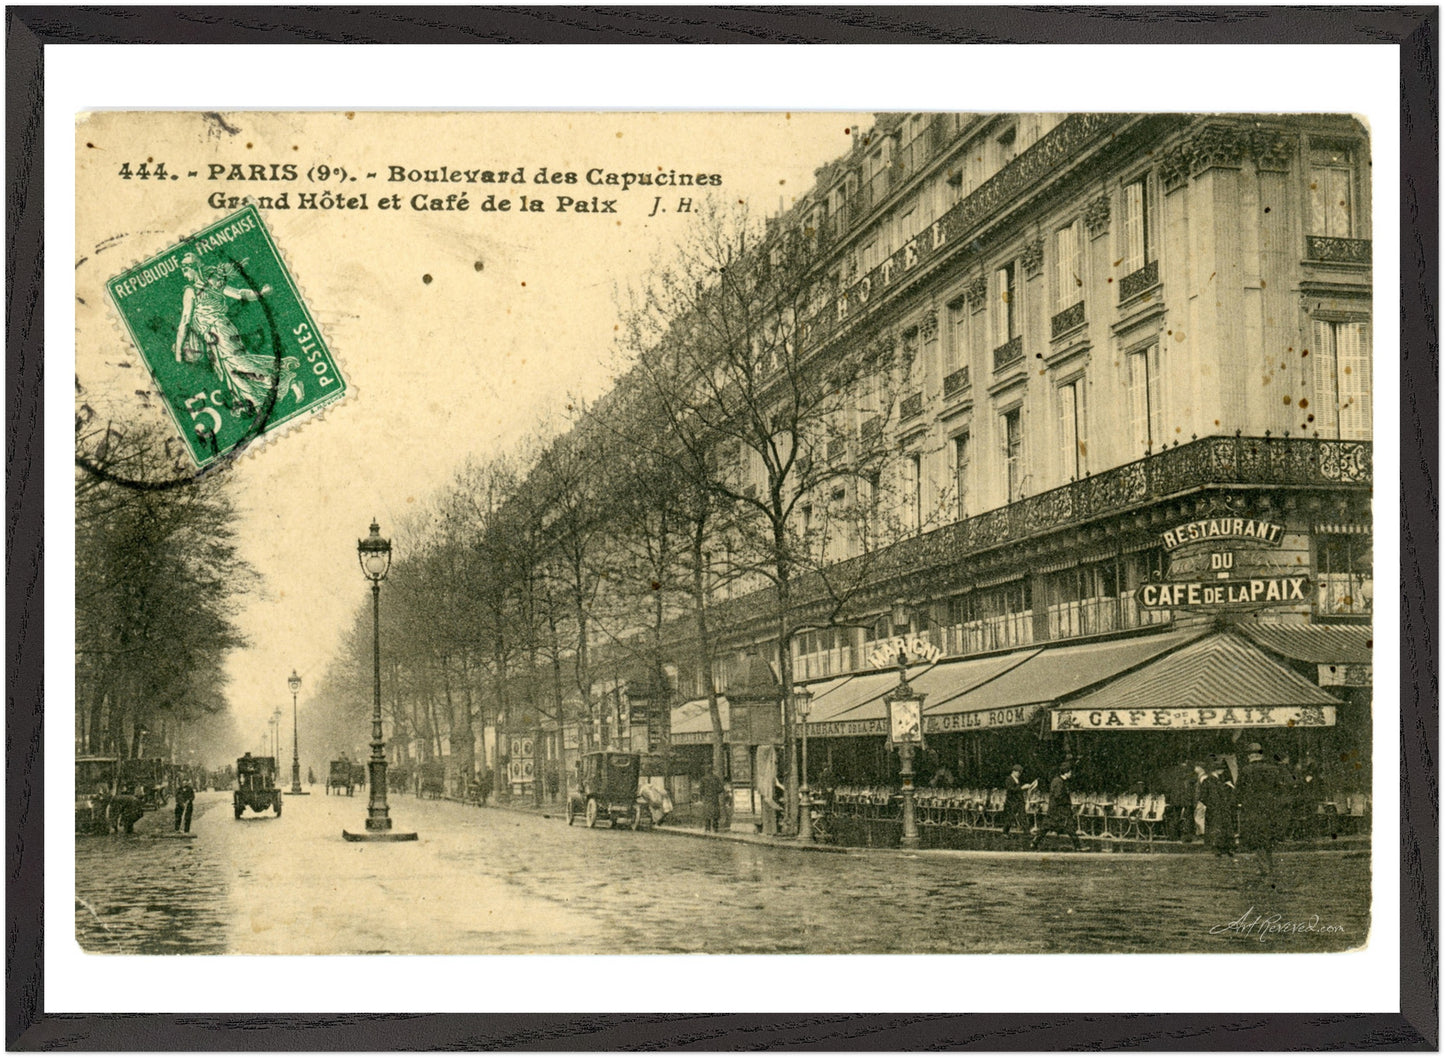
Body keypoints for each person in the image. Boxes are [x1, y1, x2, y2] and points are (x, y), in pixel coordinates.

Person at [173, 253, 300, 418]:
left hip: (218, 332)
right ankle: (257, 402)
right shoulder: (214, 283)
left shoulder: (191, 291)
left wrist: (178, 353)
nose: (184, 275)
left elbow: (185, 321)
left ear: (194, 268)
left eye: (185, 270)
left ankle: (286, 381)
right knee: (231, 371)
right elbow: (240, 293)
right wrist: (259, 294)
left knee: (240, 365)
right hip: (217, 334)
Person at [1236, 742, 1290, 876]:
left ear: (1250, 756)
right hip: (1270, 809)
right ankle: (1268, 865)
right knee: (1268, 838)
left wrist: (1238, 803)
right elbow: (1281, 789)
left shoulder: (1245, 770)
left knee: (1257, 838)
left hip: (1252, 809)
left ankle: (1264, 867)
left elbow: (1238, 791)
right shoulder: (1273, 769)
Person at [1030, 759, 1080, 851]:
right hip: (1059, 809)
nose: (1071, 773)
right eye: (1070, 771)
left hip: (1057, 809)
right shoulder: (1058, 781)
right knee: (1068, 827)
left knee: (1048, 827)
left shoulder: (1060, 781)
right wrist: (1067, 804)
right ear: (1066, 772)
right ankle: (1079, 846)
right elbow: (1058, 796)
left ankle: (1034, 842)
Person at [1197, 758, 1236, 858]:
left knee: (1217, 828)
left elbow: (1202, 797)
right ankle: (1224, 848)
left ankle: (1219, 848)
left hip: (1214, 809)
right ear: (1217, 770)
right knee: (1222, 828)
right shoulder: (1216, 781)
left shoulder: (1210, 781)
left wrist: (1210, 804)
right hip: (1220, 808)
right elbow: (1203, 796)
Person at [1001, 763, 1036, 836]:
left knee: (1023, 817)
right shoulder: (1009, 779)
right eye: (1018, 772)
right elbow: (1010, 790)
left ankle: (1027, 833)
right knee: (1010, 818)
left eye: (1020, 772)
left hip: (1019, 801)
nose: (1019, 774)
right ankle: (1005, 832)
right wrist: (1022, 788)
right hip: (1011, 802)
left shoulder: (1017, 779)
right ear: (1013, 771)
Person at [697, 768, 726, 833]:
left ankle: (707, 828)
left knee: (707, 813)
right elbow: (721, 789)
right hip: (714, 798)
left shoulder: (703, 779)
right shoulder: (716, 778)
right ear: (712, 771)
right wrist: (715, 792)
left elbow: (701, 790)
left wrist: (703, 795)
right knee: (715, 813)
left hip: (707, 798)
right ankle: (715, 828)